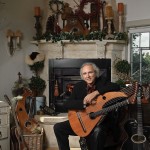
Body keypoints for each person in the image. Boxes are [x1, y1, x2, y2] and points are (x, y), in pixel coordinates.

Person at [53, 62, 121, 150]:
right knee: (58, 127)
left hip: (101, 122)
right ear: (82, 76)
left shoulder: (103, 82)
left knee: (98, 131)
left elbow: (116, 87)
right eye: (85, 73)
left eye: (90, 72)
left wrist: (95, 93)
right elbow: (67, 104)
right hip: (84, 121)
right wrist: (84, 103)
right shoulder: (78, 86)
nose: (87, 76)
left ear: (95, 73)